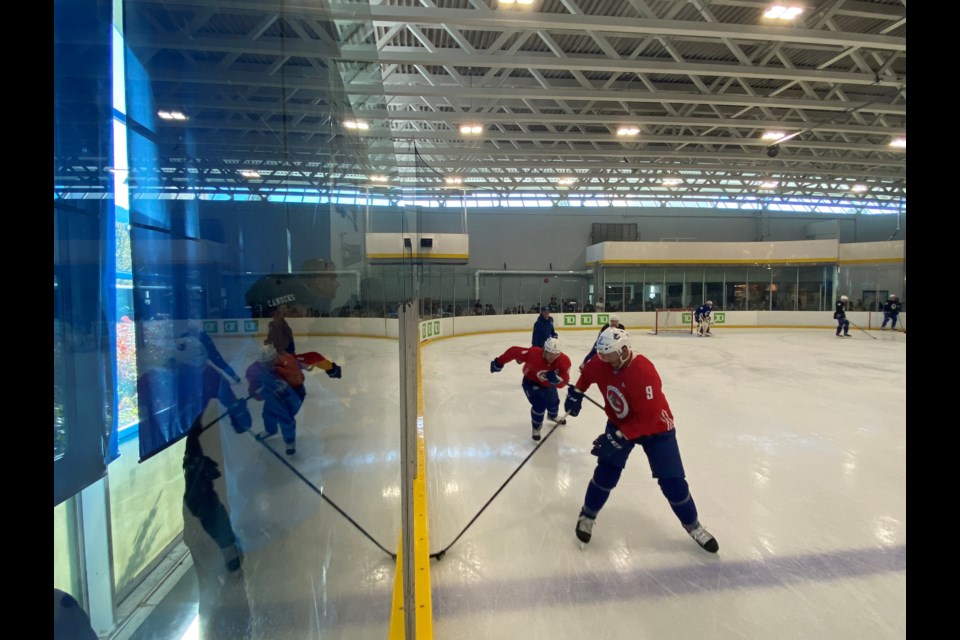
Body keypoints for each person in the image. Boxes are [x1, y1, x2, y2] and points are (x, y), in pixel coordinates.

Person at [563, 327, 719, 553]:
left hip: (656, 429)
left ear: (624, 350)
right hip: (620, 422)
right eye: (601, 354)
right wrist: (576, 393)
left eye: (608, 355)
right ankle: (587, 514)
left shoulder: (642, 371)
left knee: (672, 481)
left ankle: (693, 526)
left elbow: (648, 418)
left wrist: (618, 437)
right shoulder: (601, 361)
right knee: (607, 471)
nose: (603, 359)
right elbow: (588, 374)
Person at [245, 343, 328, 455]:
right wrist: (257, 391)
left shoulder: (288, 363)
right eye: (264, 363)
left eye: (270, 361)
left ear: (275, 357)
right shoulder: (256, 369)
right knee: (267, 415)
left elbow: (298, 380)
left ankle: (289, 440)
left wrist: (286, 388)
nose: (268, 365)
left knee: (286, 419)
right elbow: (254, 387)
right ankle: (271, 430)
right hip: (274, 397)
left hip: (293, 395)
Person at [490, 337, 572, 441]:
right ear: (544, 350)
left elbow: (564, 382)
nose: (552, 357)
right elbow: (514, 351)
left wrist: (557, 381)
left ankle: (552, 416)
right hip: (530, 381)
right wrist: (499, 362)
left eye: (555, 354)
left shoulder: (564, 361)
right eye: (549, 353)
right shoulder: (533, 353)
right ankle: (536, 427)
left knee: (553, 402)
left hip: (548, 384)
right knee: (539, 405)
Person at [245, 258, 340, 318]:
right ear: (318, 282)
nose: (338, 284)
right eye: (333, 278)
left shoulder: (320, 302)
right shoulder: (279, 286)